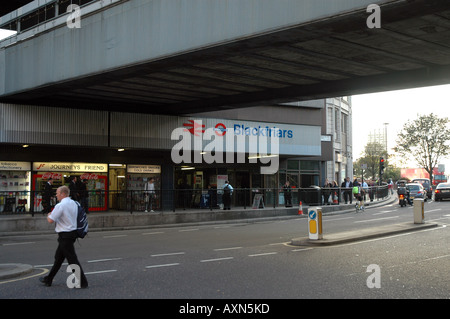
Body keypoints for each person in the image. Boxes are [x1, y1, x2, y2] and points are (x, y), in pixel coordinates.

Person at [39, 186, 88, 288]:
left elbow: (51, 220)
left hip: (65, 235)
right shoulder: (74, 203)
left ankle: (83, 282)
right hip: (72, 233)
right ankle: (49, 279)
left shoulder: (60, 205)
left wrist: (49, 215)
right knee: (59, 258)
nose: (56, 195)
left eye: (57, 193)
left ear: (62, 194)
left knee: (72, 259)